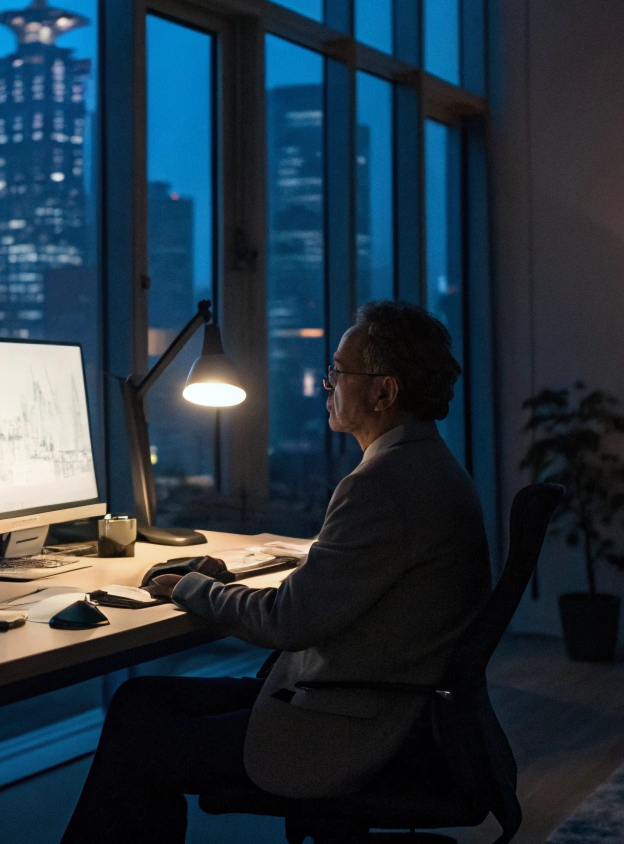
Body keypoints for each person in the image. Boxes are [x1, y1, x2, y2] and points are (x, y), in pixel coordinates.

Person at [60, 301, 492, 844]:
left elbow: (288, 621)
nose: (329, 383)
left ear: (384, 392)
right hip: (377, 699)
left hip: (347, 724)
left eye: (338, 371)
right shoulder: (424, 465)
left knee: (141, 745)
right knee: (138, 700)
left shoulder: (384, 482)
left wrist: (195, 588)